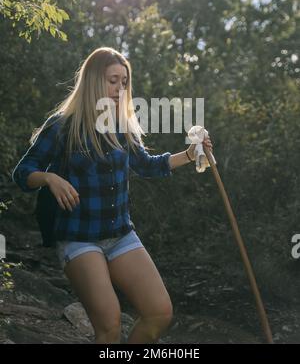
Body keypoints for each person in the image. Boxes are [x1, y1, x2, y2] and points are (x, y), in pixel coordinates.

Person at [12, 47, 213, 344]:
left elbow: (147, 165)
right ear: (94, 81)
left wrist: (190, 153)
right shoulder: (63, 125)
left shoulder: (122, 126)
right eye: (113, 80)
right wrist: (49, 178)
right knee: (109, 325)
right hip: (79, 237)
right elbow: (22, 171)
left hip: (120, 234)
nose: (120, 88)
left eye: (124, 82)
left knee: (159, 312)